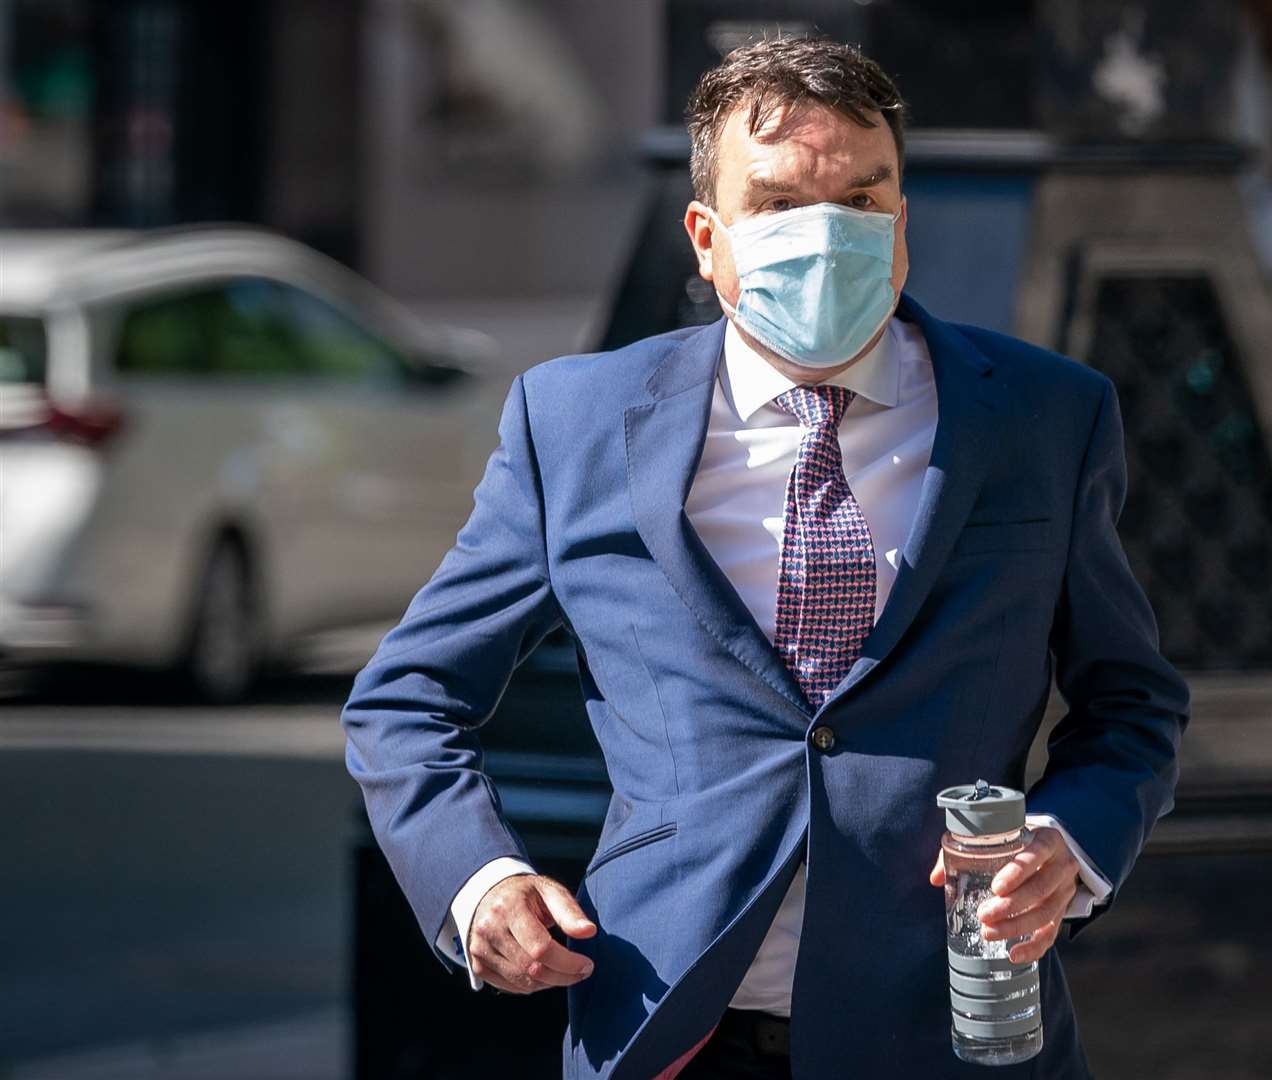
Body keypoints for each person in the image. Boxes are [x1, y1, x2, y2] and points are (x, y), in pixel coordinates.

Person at [341, 35, 1189, 1080]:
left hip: (954, 1032)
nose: (827, 239)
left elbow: (1133, 704)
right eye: (782, 205)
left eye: (863, 204)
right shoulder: (578, 422)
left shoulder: (1046, 417)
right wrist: (477, 883)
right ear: (707, 237)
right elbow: (407, 698)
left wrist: (1076, 842)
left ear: (903, 229)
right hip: (666, 1025)